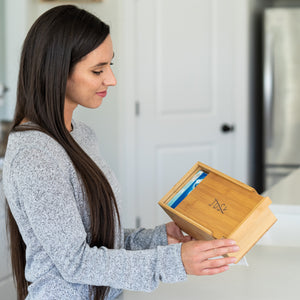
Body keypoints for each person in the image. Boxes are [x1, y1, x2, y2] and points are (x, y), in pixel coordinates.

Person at [3, 5, 239, 300]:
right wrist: (174, 262)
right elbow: (75, 262)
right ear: (57, 71)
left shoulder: (81, 136)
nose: (111, 79)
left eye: (110, 66)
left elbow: (97, 240)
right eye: (97, 70)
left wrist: (158, 238)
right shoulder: (35, 155)